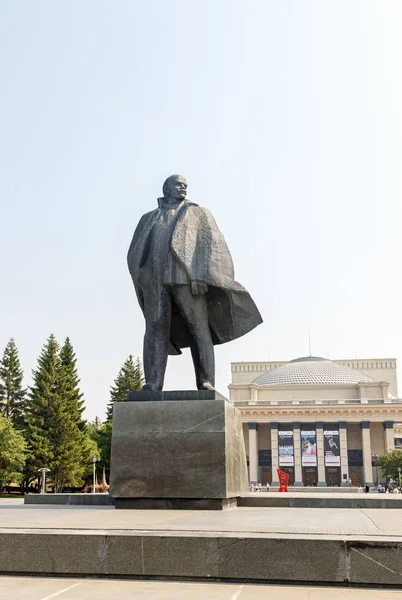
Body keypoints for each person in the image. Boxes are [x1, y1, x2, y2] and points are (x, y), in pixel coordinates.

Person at [127, 174, 262, 391]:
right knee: (154, 329)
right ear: (166, 188)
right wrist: (141, 275)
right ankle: (153, 382)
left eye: (185, 185)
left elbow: (210, 245)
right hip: (155, 282)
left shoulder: (198, 213)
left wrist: (201, 275)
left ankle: (205, 381)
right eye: (178, 185)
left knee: (198, 328)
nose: (183, 188)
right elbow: (135, 251)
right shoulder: (148, 218)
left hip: (186, 279)